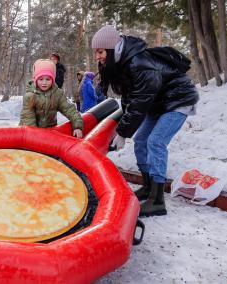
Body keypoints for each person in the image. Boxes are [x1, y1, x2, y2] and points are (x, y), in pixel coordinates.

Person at [91, 25, 199, 217]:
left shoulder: (139, 63)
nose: (97, 57)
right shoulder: (121, 64)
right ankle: (149, 187)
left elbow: (141, 101)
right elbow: (129, 99)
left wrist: (123, 132)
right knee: (141, 140)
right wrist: (123, 127)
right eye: (96, 52)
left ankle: (157, 201)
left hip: (177, 100)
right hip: (157, 103)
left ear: (111, 49)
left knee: (155, 142)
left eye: (100, 52)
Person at [19, 59, 83, 138]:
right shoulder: (30, 96)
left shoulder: (57, 94)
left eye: (48, 79)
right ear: (35, 79)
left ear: (53, 79)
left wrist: (77, 126)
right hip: (30, 134)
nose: (44, 82)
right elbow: (28, 119)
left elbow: (69, 109)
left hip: (49, 133)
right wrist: (34, 137)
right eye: (41, 79)